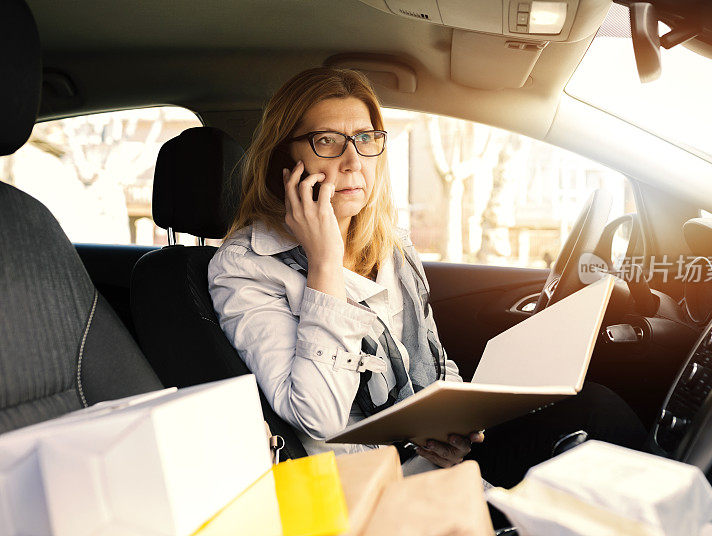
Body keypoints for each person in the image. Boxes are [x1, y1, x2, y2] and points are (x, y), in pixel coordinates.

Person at [208, 67, 646, 486]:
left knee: (594, 405)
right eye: (327, 141)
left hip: (433, 457)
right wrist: (326, 263)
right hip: (371, 486)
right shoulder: (246, 265)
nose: (353, 161)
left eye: (365, 139)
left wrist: (455, 428)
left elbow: (434, 362)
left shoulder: (391, 244)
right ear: (285, 157)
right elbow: (316, 417)